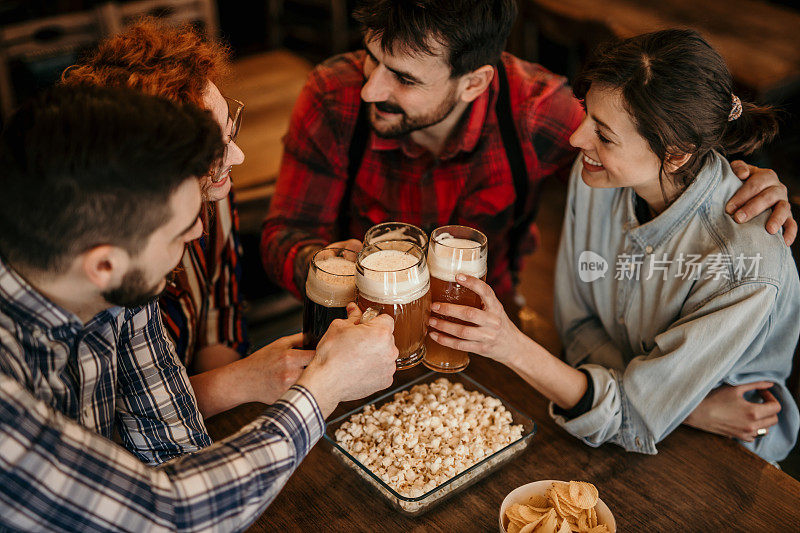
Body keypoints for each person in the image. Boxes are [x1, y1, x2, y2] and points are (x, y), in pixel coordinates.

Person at [0, 85, 398, 530]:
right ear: (104, 264)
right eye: (179, 231)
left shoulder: (121, 287)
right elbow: (170, 513)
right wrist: (327, 384)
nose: (195, 237)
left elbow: (172, 443)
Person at [262, 0, 796, 307]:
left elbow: (647, 158)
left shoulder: (540, 112)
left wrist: (732, 180)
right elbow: (283, 234)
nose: (370, 90)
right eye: (371, 58)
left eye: (402, 78)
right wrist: (333, 268)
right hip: (356, 315)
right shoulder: (332, 96)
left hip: (488, 324)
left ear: (475, 83)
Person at [426, 29, 800, 463]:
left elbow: (631, 422)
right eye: (587, 114)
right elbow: (579, 327)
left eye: (604, 134)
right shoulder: (601, 178)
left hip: (728, 446)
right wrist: (679, 404)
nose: (577, 139)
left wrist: (510, 345)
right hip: (628, 412)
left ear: (677, 153)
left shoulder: (744, 265)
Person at [63, 20, 312, 418]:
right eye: (216, 149)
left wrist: (233, 393)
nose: (238, 158)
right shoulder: (99, 263)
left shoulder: (213, 188)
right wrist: (244, 381)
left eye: (230, 130)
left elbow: (221, 306)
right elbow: (112, 429)